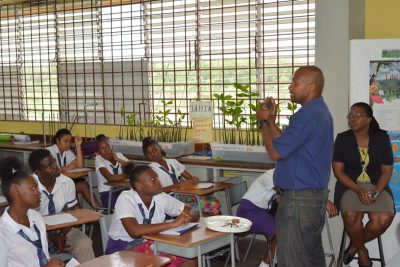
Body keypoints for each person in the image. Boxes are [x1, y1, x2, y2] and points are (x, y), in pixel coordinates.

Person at [256, 65, 334, 266]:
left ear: (311, 86)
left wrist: (263, 123)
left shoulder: (307, 115)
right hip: (312, 199)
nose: (290, 87)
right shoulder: (318, 111)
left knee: (291, 260)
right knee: (311, 259)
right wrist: (272, 121)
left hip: (299, 202)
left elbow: (275, 152)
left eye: (295, 83)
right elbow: (287, 144)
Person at [333, 102, 394, 267]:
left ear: (368, 119)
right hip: (349, 186)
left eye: (357, 115)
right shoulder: (342, 139)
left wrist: (376, 192)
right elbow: (338, 171)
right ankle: (363, 253)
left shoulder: (382, 139)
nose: (351, 119)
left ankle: (354, 247)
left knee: (384, 218)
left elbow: (387, 172)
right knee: (352, 216)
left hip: (376, 186)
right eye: (350, 115)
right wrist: (358, 190)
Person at [237, 168, 339, 267]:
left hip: (263, 211)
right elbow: (289, 192)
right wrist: (325, 201)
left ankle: (276, 260)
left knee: (289, 228)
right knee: (282, 232)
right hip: (249, 211)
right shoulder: (271, 175)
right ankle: (266, 264)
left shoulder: (287, 177)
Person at [106, 163, 196, 267]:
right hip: (123, 247)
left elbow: (192, 211)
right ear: (139, 186)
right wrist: (172, 224)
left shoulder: (160, 197)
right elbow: (134, 231)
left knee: (190, 259)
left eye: (157, 178)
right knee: (169, 262)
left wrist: (186, 217)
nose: (159, 182)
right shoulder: (126, 198)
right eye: (153, 179)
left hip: (151, 244)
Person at [28, 149, 95, 263]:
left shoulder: (67, 182)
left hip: (62, 230)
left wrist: (61, 236)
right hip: (35, 233)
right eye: (49, 165)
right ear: (37, 172)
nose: (55, 166)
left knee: (84, 243)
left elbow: (71, 213)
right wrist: (51, 238)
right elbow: (27, 222)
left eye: (54, 161)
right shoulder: (29, 188)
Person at [0, 157, 64, 267]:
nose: (38, 193)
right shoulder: (3, 233)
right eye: (33, 188)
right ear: (15, 191)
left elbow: (43, 256)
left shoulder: (35, 217)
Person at [142, 137, 220, 215]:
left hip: (185, 196)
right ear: (146, 156)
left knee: (214, 202)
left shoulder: (173, 162)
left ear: (160, 149)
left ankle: (209, 223)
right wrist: (177, 185)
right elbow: (156, 192)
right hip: (170, 201)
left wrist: (194, 179)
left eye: (154, 150)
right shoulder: (150, 170)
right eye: (149, 153)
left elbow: (190, 178)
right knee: (213, 206)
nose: (152, 154)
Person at [47, 128, 100, 209]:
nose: (68, 144)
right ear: (58, 141)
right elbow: (56, 169)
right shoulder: (50, 151)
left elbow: (79, 165)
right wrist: (69, 166)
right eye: (65, 141)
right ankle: (79, 218)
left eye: (70, 141)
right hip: (53, 185)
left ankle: (100, 211)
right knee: (70, 186)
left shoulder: (67, 151)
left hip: (64, 182)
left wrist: (78, 146)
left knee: (83, 185)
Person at [95, 134, 131, 209]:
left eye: (108, 146)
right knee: (125, 207)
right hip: (108, 195)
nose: (106, 150)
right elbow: (110, 178)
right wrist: (128, 175)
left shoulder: (119, 155)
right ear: (98, 152)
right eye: (103, 148)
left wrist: (119, 160)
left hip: (123, 191)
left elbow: (134, 167)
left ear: (111, 146)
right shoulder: (99, 159)